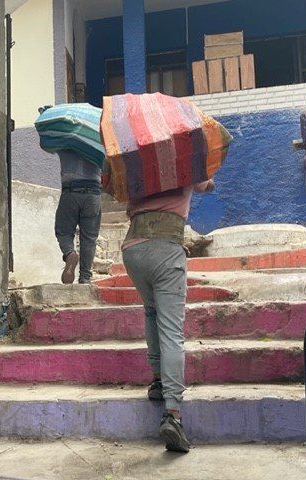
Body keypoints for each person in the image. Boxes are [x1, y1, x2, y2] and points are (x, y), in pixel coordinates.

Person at [121, 179, 215, 453]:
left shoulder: (138, 164)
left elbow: (129, 209)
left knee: (151, 311)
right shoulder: (183, 160)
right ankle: (172, 413)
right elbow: (205, 185)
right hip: (166, 246)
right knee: (172, 329)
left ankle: (159, 381)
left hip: (133, 249)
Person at [54, 149, 102, 284]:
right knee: (89, 238)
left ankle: (70, 253)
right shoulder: (96, 145)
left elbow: (48, 146)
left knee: (63, 231)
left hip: (71, 191)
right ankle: (85, 277)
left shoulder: (65, 142)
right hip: (93, 194)